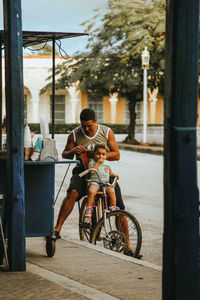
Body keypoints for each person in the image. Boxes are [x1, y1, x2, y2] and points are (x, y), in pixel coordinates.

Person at [54, 107, 124, 238]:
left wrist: (99, 155)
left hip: (103, 171)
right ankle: (57, 229)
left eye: (89, 126)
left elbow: (117, 155)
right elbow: (65, 154)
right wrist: (73, 151)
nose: (86, 129)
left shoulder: (106, 132)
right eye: (83, 126)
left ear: (96, 121)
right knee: (73, 193)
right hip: (83, 171)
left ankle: (128, 247)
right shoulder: (74, 134)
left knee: (119, 206)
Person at [85, 143, 119, 218]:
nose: (101, 156)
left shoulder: (107, 163)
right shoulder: (92, 162)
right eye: (98, 154)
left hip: (105, 183)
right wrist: (98, 163)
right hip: (95, 183)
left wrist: (114, 175)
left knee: (112, 191)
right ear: (94, 154)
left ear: (106, 155)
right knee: (91, 190)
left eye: (103, 154)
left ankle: (113, 207)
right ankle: (89, 208)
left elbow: (110, 172)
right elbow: (92, 171)